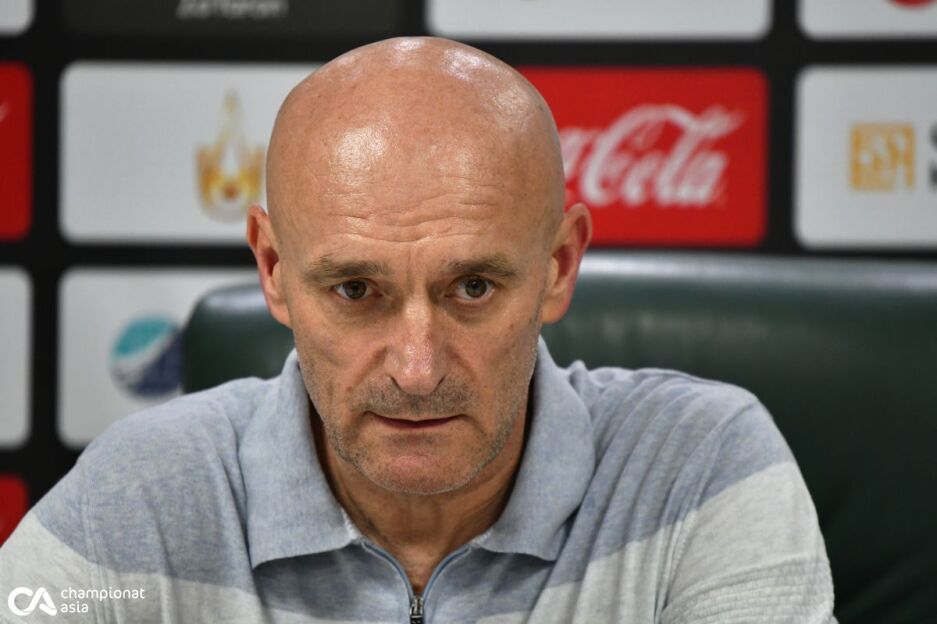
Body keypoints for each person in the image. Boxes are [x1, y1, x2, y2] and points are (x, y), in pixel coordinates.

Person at [0, 37, 835, 623]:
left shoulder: (699, 466)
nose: (416, 367)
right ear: (273, 269)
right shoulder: (140, 495)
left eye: (472, 287)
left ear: (557, 266)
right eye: (355, 289)